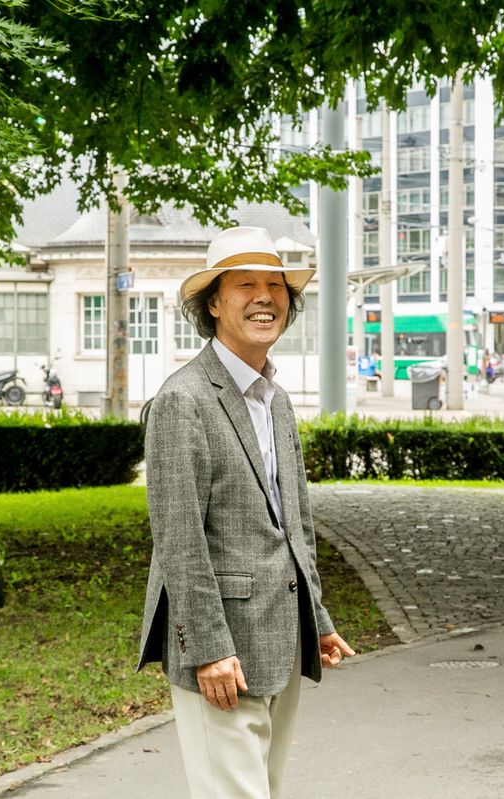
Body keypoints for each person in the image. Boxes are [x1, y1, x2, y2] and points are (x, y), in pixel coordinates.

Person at [138, 226, 354, 799]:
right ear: (213, 303)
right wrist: (207, 648)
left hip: (279, 639)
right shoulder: (182, 401)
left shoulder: (275, 399)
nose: (265, 297)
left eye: (275, 286)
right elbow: (179, 538)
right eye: (245, 285)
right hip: (221, 653)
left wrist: (319, 618)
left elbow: (293, 522)